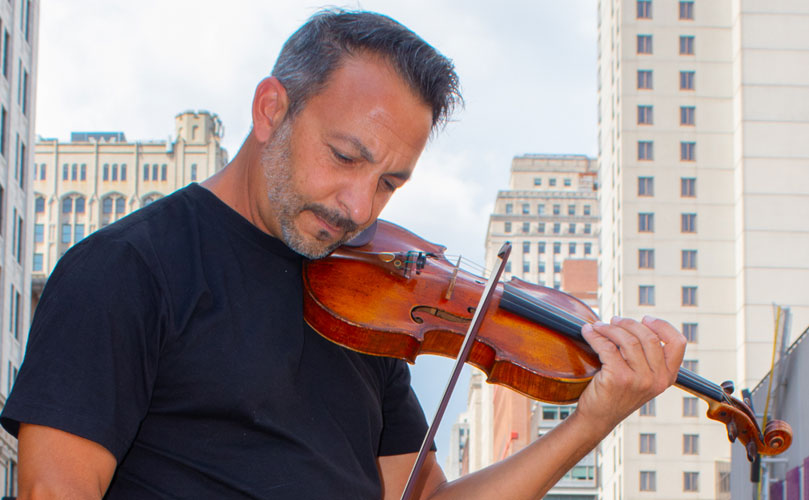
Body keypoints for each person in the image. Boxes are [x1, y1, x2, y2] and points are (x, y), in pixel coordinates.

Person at [1, 9, 686, 500]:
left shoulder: (367, 298)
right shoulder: (124, 270)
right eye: (344, 157)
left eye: (389, 183)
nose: (359, 207)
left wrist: (594, 420)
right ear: (271, 109)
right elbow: (53, 490)